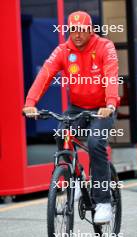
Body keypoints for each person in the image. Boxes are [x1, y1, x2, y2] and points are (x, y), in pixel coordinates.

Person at [23, 11, 120, 224]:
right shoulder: (63, 50)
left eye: (82, 30)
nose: (77, 34)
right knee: (61, 133)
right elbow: (45, 75)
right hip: (77, 107)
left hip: (103, 107)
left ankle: (103, 202)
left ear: (90, 30)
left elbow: (112, 74)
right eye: (73, 30)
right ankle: (74, 181)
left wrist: (111, 103)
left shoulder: (105, 46)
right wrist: (30, 103)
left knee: (95, 142)